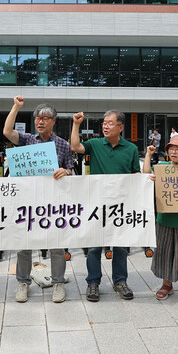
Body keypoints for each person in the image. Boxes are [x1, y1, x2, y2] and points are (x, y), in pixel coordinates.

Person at [3, 96, 76, 303]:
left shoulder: (62, 145)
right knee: (24, 244)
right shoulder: (27, 140)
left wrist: (65, 172)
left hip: (53, 202)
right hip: (27, 201)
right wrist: (16, 107)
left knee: (57, 245)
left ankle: (58, 283)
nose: (40, 122)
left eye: (45, 118)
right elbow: (7, 132)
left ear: (53, 121)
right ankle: (23, 283)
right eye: (37, 118)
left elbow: (71, 170)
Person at [71, 110, 140, 302]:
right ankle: (93, 283)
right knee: (94, 247)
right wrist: (76, 124)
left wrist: (143, 180)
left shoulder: (131, 149)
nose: (105, 126)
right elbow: (75, 146)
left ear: (120, 127)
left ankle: (120, 281)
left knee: (120, 246)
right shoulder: (94, 144)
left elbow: (135, 174)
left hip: (120, 204)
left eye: (110, 123)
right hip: (97, 204)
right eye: (104, 123)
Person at [143, 134, 178, 304]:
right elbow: (145, 173)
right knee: (165, 251)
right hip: (165, 218)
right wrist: (148, 155)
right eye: (171, 149)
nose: (174, 152)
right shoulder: (163, 167)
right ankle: (166, 284)